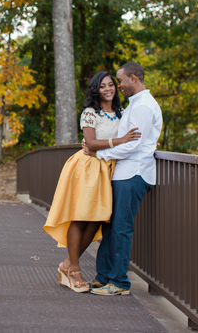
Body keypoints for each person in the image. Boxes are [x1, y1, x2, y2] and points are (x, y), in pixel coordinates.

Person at [43, 71, 141, 293]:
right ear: (95, 90)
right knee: (80, 218)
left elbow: (132, 138)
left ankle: (67, 264)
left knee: (97, 220)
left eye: (111, 85)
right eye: (102, 86)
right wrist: (120, 140)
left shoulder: (121, 112)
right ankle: (74, 269)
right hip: (88, 167)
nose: (108, 89)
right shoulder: (90, 113)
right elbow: (90, 142)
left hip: (108, 169)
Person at [83, 62, 163, 296]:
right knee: (110, 227)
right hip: (122, 173)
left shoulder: (143, 107)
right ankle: (103, 276)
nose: (119, 86)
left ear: (134, 79)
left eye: (121, 81)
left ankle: (119, 283)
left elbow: (132, 146)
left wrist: (100, 153)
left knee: (121, 228)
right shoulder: (134, 105)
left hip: (133, 174)